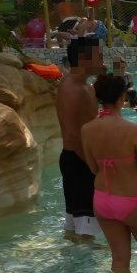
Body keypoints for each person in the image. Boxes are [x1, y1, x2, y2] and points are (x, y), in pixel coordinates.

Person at [80, 73, 137, 273]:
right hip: (132, 198)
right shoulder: (132, 130)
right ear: (122, 97)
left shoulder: (87, 129)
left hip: (103, 199)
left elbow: (93, 168)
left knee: (119, 259)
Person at [57, 37, 103, 239]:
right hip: (79, 160)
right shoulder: (73, 88)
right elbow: (72, 134)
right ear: (85, 59)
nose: (102, 60)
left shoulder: (83, 86)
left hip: (78, 160)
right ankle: (90, 256)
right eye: (98, 56)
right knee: (86, 226)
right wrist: (93, 166)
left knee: (74, 225)